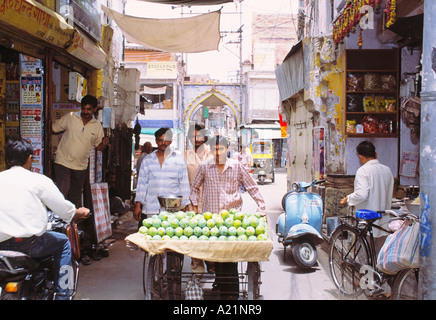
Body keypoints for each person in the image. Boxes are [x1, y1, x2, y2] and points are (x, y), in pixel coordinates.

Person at [0, 139, 90, 300]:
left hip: (1, 246)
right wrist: (79, 212)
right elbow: (64, 209)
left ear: (7, 160)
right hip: (29, 244)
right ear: (29, 158)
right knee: (63, 243)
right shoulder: (38, 180)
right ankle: (63, 294)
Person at [190, 135, 266, 299]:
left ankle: (231, 294)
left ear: (228, 148)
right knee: (216, 256)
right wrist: (195, 208)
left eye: (221, 149)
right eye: (215, 149)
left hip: (232, 221)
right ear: (211, 150)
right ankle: (221, 284)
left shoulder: (237, 167)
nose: (218, 153)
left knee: (230, 258)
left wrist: (262, 207)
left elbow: (252, 187)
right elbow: (194, 188)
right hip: (210, 221)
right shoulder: (204, 167)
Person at [52, 94, 109, 207]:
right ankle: (58, 220)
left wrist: (104, 144)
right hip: (63, 161)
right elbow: (54, 128)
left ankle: (70, 222)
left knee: (74, 196)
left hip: (80, 166)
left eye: (89, 109)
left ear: (94, 109)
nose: (85, 111)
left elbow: (99, 148)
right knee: (63, 190)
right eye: (83, 108)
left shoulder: (97, 126)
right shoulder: (70, 117)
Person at [340, 141, 394, 251]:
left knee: (365, 259)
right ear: (376, 154)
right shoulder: (387, 170)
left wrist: (348, 198)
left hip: (368, 221)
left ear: (361, 157)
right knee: (379, 259)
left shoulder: (363, 171)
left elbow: (362, 194)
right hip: (384, 221)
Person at [133, 128, 190, 226]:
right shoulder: (147, 160)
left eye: (166, 140)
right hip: (151, 209)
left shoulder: (179, 160)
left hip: (173, 211)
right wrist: (138, 205)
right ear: (156, 141)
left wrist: (185, 205)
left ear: (171, 141)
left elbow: (184, 184)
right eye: (160, 140)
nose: (163, 143)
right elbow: (142, 184)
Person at [184, 123, 213, 274]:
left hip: (211, 200)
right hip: (191, 201)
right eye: (193, 136)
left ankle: (212, 263)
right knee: (195, 235)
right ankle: (197, 269)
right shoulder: (184, 155)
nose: (196, 139)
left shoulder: (213, 154)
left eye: (199, 135)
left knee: (210, 235)